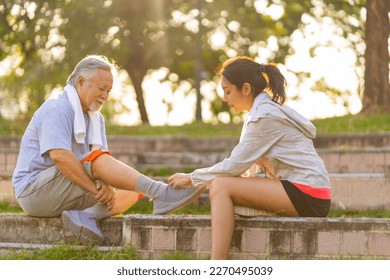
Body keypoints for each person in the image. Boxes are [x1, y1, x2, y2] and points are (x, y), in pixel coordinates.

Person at [12, 55, 205, 245]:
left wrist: (106, 186)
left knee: (131, 188)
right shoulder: (56, 109)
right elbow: (60, 156)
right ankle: (161, 193)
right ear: (80, 82)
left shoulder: (96, 119)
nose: (105, 96)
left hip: (66, 189)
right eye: (102, 88)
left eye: (109, 91)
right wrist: (94, 188)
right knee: (101, 163)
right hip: (33, 193)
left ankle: (85, 217)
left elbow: (103, 163)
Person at [168, 56, 331, 260]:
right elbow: (245, 169)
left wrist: (192, 178)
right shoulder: (262, 112)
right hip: (306, 192)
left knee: (221, 186)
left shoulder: (263, 116)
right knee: (223, 187)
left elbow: (235, 165)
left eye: (228, 91)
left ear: (246, 89)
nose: (225, 99)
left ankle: (216, 266)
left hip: (307, 193)